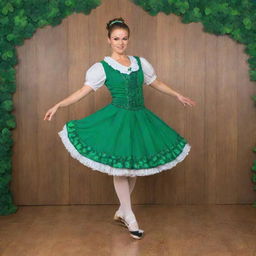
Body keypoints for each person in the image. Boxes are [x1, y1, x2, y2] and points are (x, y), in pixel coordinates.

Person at [44, 17, 196, 239]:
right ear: (108, 40)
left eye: (124, 38)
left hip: (140, 120)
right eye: (116, 38)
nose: (121, 42)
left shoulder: (140, 63)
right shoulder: (102, 67)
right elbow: (82, 91)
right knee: (121, 169)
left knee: (132, 168)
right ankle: (130, 216)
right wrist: (59, 104)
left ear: (128, 39)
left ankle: (122, 210)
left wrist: (177, 94)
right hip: (117, 120)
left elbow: (155, 82)